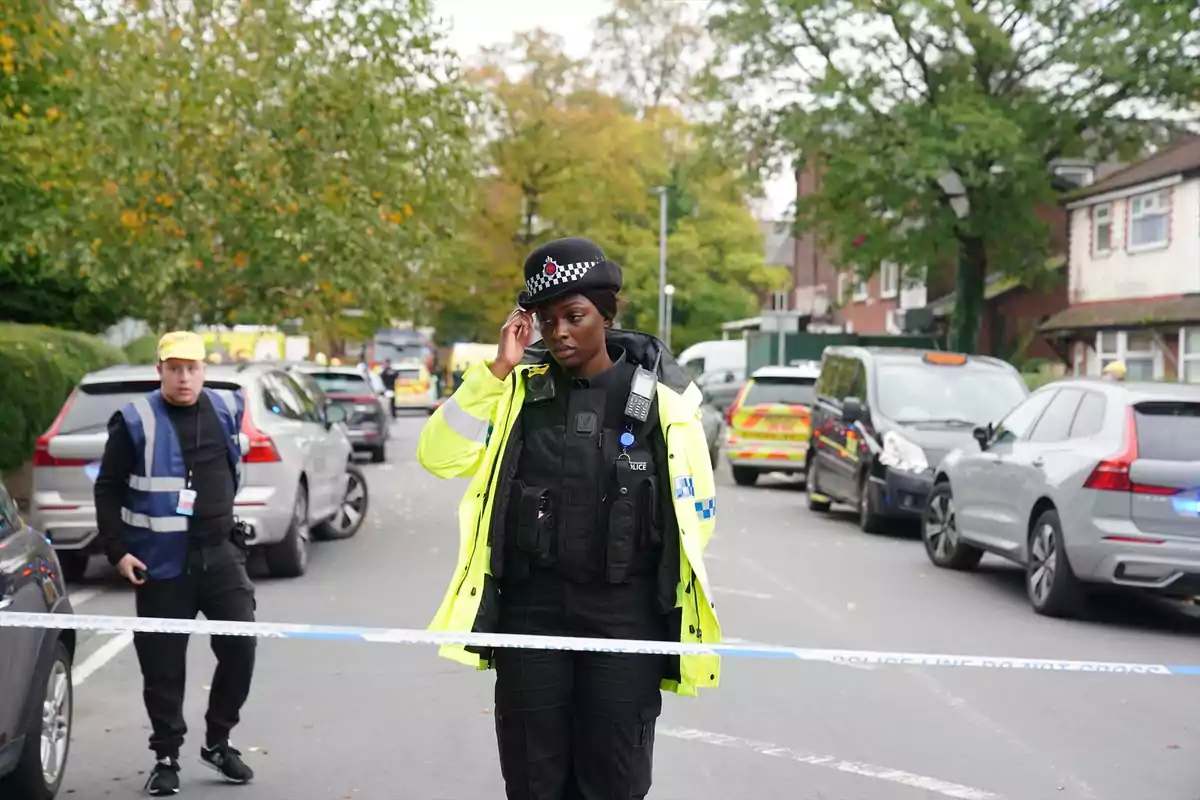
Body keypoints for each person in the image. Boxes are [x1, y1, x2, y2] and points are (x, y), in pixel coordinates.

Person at [417, 237, 721, 800]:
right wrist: (493, 373)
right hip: (532, 616)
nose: (558, 333)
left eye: (574, 316)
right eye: (546, 320)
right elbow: (438, 456)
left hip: (624, 620)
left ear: (606, 314)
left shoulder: (665, 403)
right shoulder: (513, 394)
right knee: (534, 782)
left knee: (613, 781)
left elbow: (695, 511)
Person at [94, 331, 257, 796]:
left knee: (241, 650)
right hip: (162, 561)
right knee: (163, 667)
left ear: (204, 371)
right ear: (160, 370)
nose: (184, 377)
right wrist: (117, 550)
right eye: (175, 368)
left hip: (221, 554)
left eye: (193, 368)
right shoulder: (134, 420)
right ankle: (166, 755)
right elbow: (107, 488)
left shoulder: (226, 408)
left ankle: (218, 740)